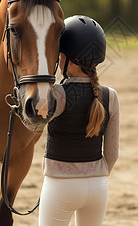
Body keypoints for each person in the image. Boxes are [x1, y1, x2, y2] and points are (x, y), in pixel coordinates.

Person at [38, 15, 120, 226]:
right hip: (98, 187)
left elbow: (31, 124)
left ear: (67, 59)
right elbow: (111, 154)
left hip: (60, 186)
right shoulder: (110, 96)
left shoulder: (57, 95)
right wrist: (94, 174)